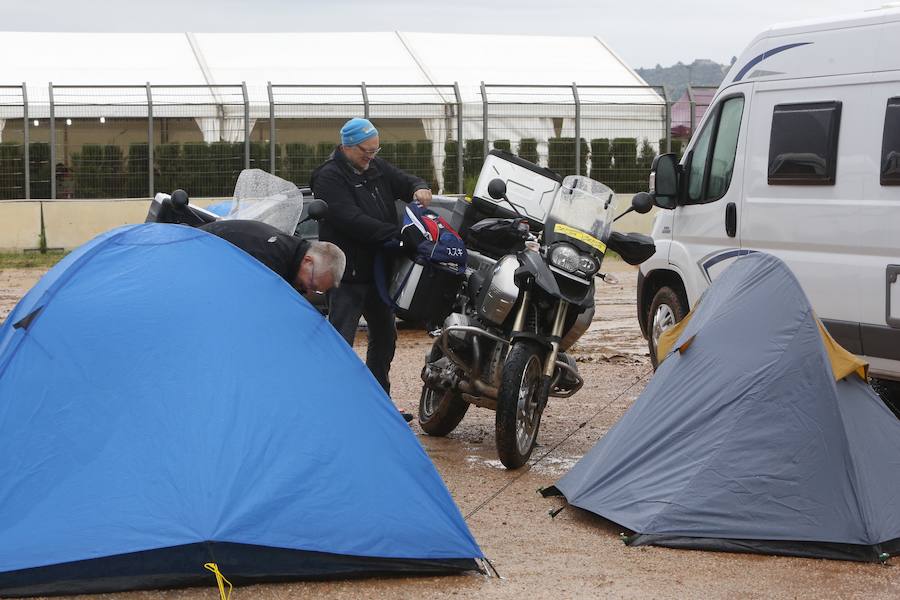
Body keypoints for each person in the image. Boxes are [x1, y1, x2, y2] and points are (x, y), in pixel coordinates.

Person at [310, 118, 432, 419]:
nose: (371, 156)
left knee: (385, 337)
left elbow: (404, 180)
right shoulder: (328, 177)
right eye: (366, 151)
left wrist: (419, 188)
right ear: (347, 146)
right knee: (341, 342)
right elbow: (348, 218)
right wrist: (395, 235)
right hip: (347, 276)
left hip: (379, 274)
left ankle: (379, 403)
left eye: (376, 150)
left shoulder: (376, 167)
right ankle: (333, 407)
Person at [199, 219, 345, 296]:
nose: (308, 292)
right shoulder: (271, 260)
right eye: (313, 286)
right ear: (308, 261)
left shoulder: (287, 250)